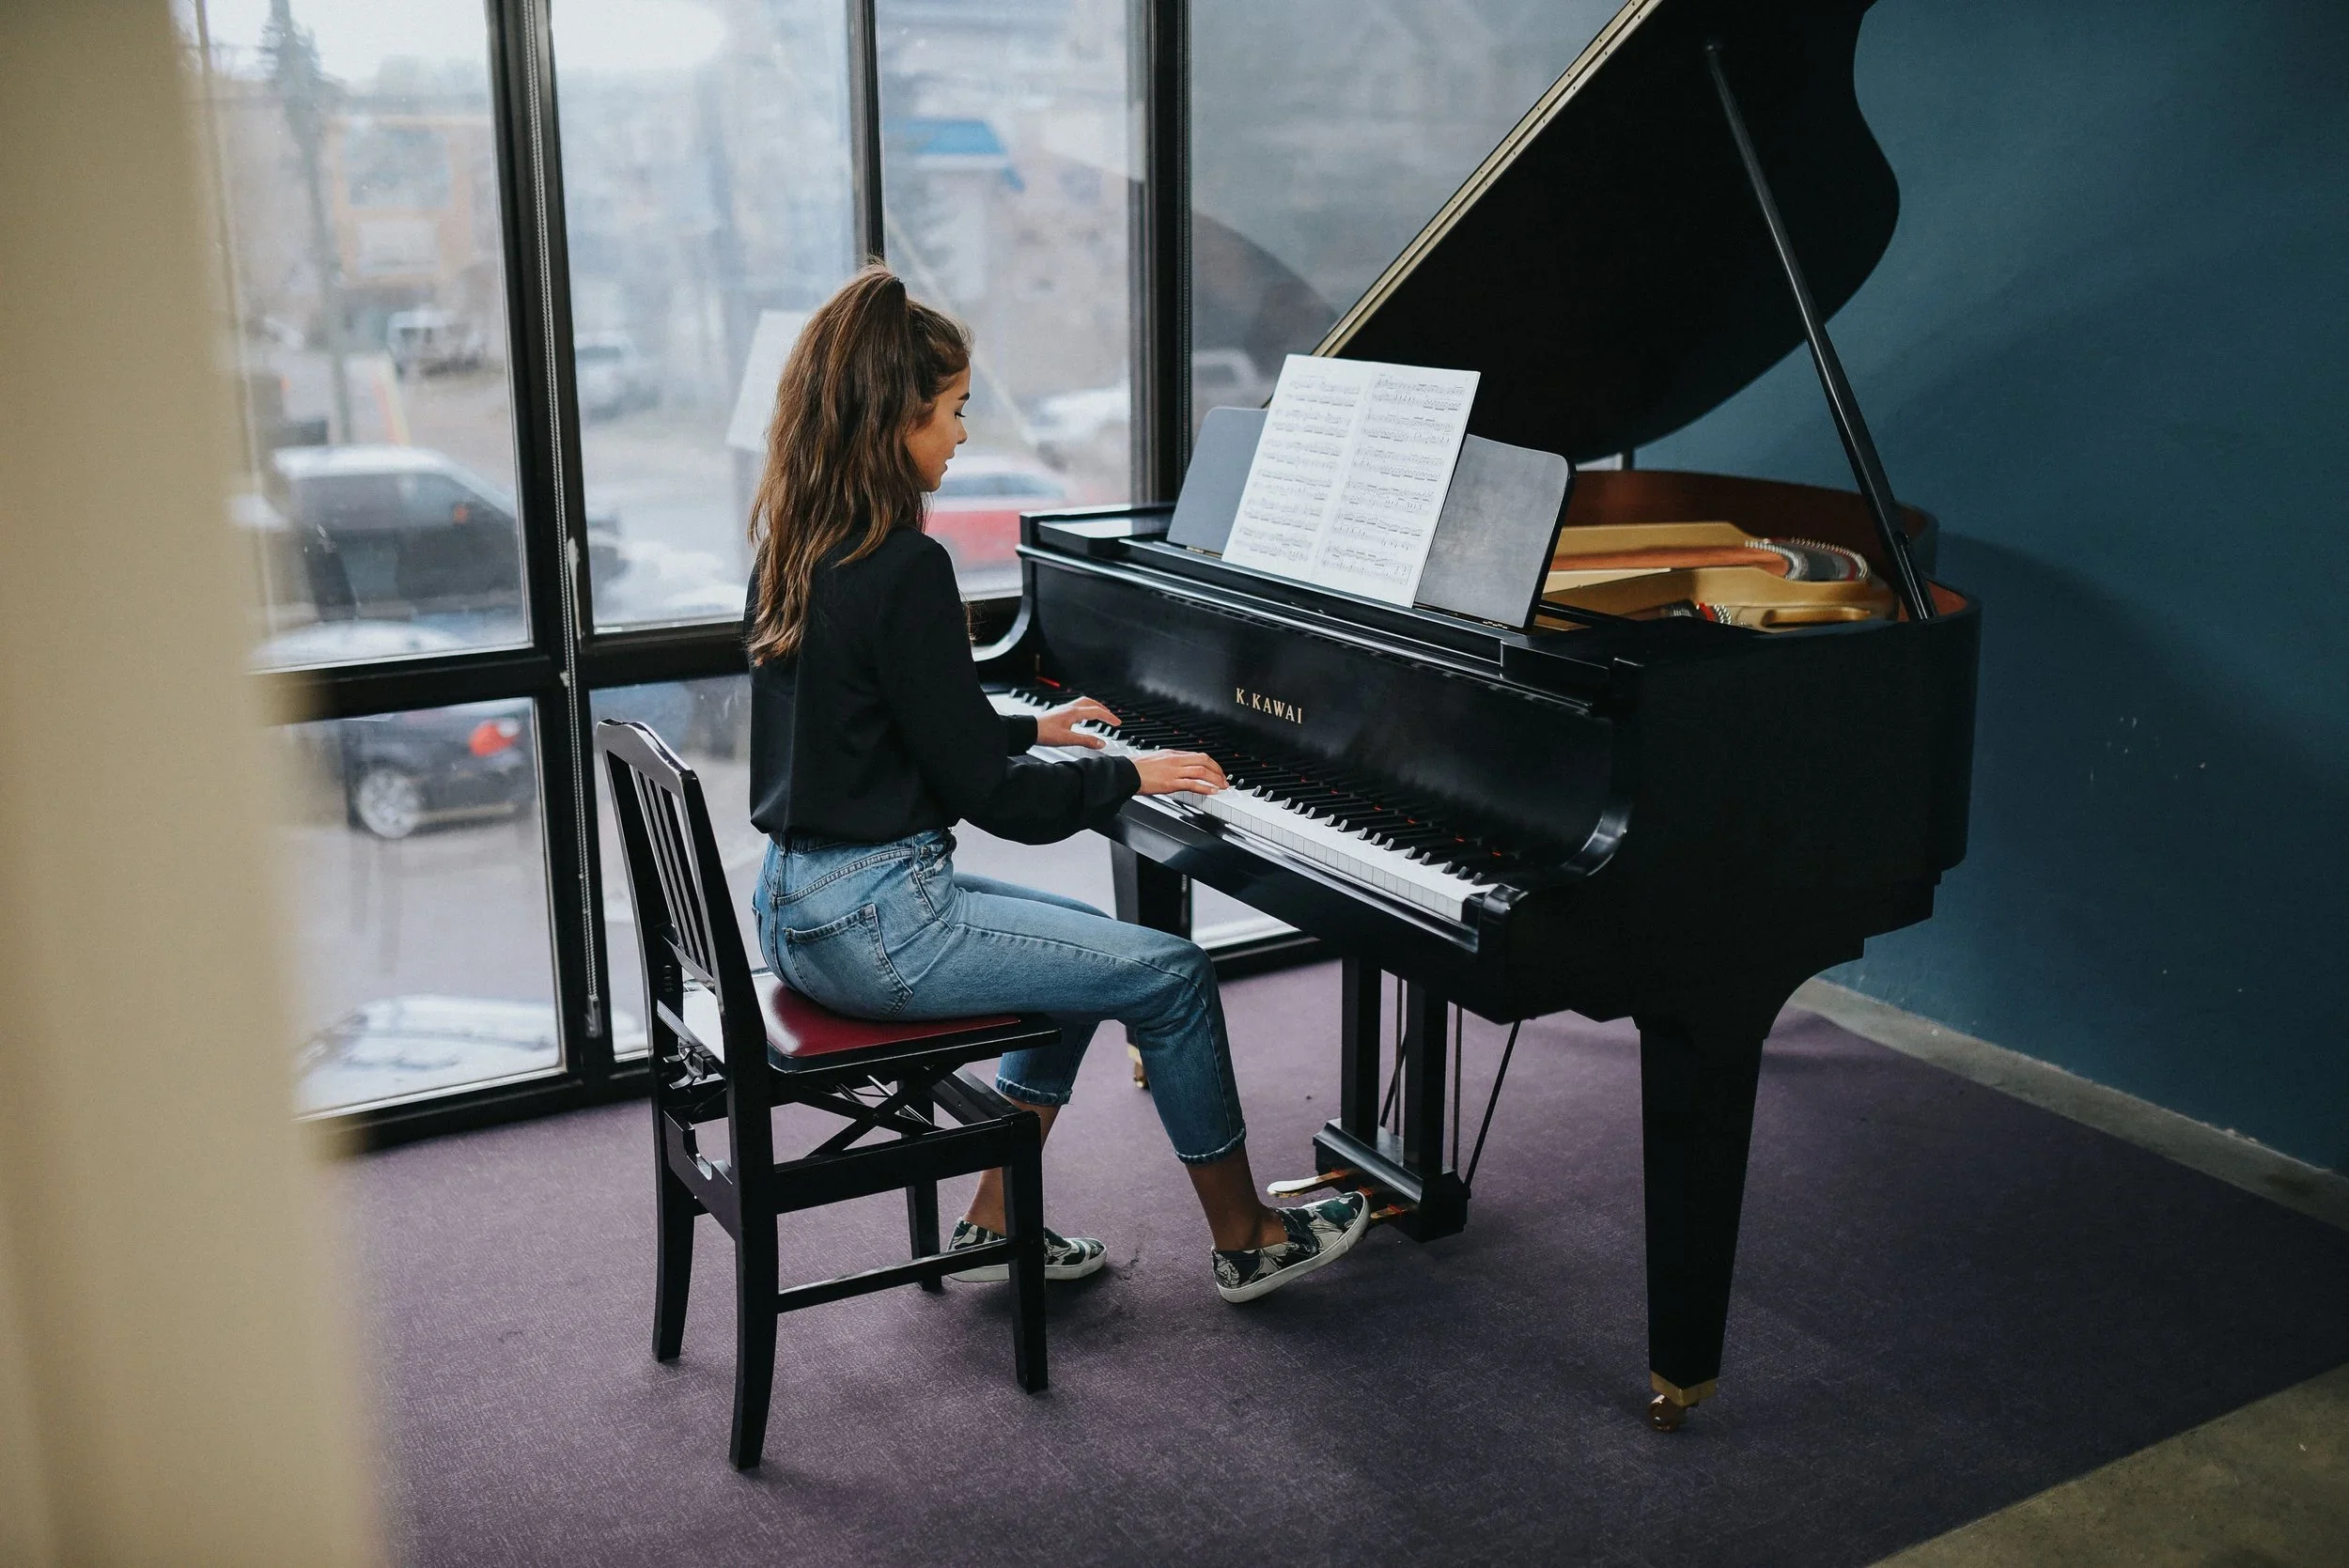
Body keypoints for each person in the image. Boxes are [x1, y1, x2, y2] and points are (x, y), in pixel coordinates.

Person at [744, 266, 1369, 1303]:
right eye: (950, 412)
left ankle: (996, 1225)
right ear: (887, 421)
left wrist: (1035, 724)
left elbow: (870, 724)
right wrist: (1126, 770)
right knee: (1169, 974)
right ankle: (1251, 1238)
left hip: (801, 904)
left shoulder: (802, 546)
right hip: (881, 925)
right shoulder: (904, 567)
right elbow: (998, 801)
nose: (959, 438)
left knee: (1074, 958)